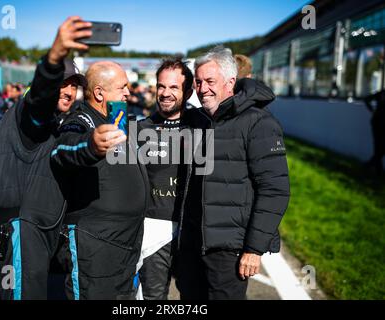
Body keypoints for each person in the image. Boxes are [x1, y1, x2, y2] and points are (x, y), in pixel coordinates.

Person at [0, 16, 91, 300]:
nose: (69, 91)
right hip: (22, 228)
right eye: (63, 83)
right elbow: (40, 99)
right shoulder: (29, 113)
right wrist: (54, 57)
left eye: (74, 85)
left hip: (38, 225)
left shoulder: (56, 120)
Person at [176, 46, 290, 300]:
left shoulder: (259, 122)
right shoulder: (198, 120)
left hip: (231, 249)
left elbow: (275, 189)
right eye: (198, 81)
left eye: (210, 81)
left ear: (230, 82)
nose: (202, 88)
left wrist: (253, 249)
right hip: (192, 242)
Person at [51, 60, 149, 300]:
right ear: (99, 93)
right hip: (95, 244)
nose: (128, 92)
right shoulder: (80, 121)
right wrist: (90, 146)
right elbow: (63, 150)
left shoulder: (118, 119)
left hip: (126, 239)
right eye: (122, 87)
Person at [136, 57, 195, 300]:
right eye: (161, 86)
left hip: (193, 230)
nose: (165, 93)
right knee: (152, 297)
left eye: (173, 87)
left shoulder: (204, 127)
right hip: (153, 229)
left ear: (188, 91)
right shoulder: (139, 130)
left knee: (195, 296)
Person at [364, 89, 385, 173]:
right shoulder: (382, 93)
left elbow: (367, 99)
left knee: (379, 146)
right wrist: (372, 110)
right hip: (378, 123)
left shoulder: (382, 93)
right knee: (378, 146)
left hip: (378, 122)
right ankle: (377, 169)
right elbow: (366, 99)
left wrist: (372, 110)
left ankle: (372, 165)